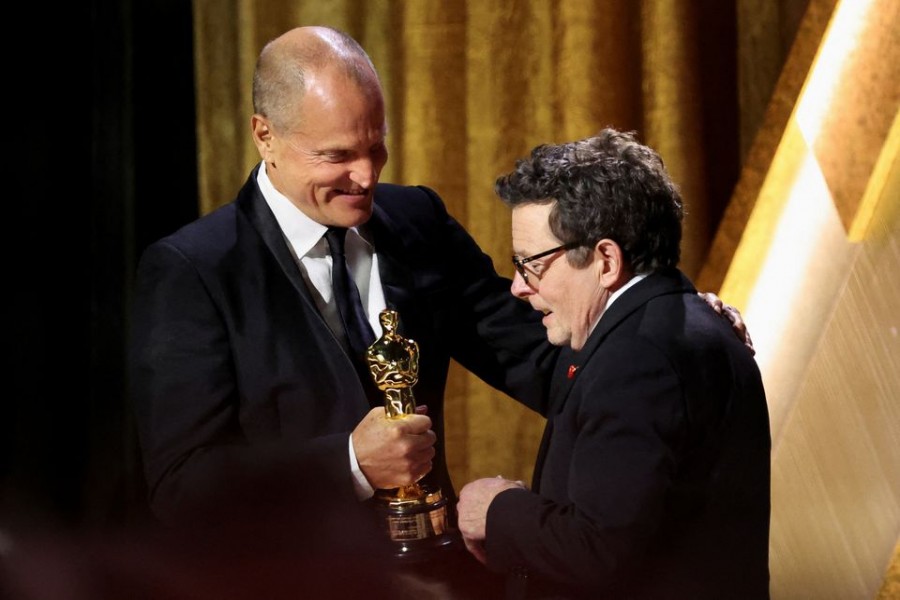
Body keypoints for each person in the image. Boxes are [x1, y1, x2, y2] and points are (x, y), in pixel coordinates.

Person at [129, 25, 753, 597]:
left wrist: (654, 321)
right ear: (265, 133)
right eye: (337, 155)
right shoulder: (193, 271)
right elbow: (185, 488)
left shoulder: (416, 221)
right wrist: (349, 462)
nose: (365, 176)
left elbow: (540, 356)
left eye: (377, 147)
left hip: (442, 579)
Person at [456, 128, 771, 599]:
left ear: (605, 260)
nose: (519, 287)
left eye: (531, 264)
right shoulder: (681, 323)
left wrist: (497, 510)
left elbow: (597, 548)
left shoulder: (639, 360)